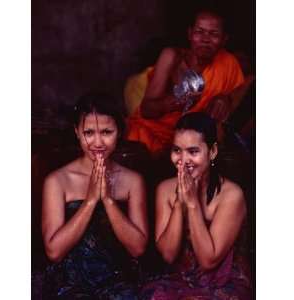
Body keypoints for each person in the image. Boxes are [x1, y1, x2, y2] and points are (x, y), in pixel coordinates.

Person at [41, 92, 148, 299]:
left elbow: (138, 249)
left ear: (119, 131)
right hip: (69, 282)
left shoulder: (132, 181)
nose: (98, 142)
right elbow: (54, 252)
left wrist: (108, 200)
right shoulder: (57, 181)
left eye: (107, 132)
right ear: (77, 132)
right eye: (89, 132)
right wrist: (90, 201)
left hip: (119, 280)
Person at [140, 112, 252, 299]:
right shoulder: (165, 189)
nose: (183, 161)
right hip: (179, 278)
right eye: (177, 150)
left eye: (193, 152)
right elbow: (168, 255)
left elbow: (208, 260)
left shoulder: (231, 195)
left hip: (224, 282)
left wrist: (192, 205)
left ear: (213, 151)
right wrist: (179, 203)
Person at [126, 9, 245, 155]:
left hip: (193, 142)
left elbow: (241, 98)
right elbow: (147, 110)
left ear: (224, 39)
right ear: (190, 34)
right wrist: (177, 100)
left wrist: (227, 98)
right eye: (199, 31)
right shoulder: (171, 57)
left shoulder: (228, 63)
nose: (205, 39)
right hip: (152, 135)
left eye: (214, 34)